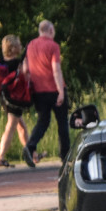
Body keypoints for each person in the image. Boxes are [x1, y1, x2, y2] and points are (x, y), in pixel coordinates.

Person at [23, 20, 68, 168]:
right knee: (62, 123)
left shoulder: (30, 45)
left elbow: (25, 69)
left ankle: (30, 146)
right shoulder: (53, 46)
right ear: (50, 30)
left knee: (43, 121)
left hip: (38, 91)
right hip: (53, 89)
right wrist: (61, 90)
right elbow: (56, 69)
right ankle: (65, 154)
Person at [0, 35, 29, 167]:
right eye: (18, 45)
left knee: (21, 127)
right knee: (11, 127)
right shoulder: (15, 64)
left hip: (5, 97)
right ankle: (0, 157)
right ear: (12, 48)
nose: (21, 46)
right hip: (14, 99)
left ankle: (31, 153)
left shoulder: (1, 61)